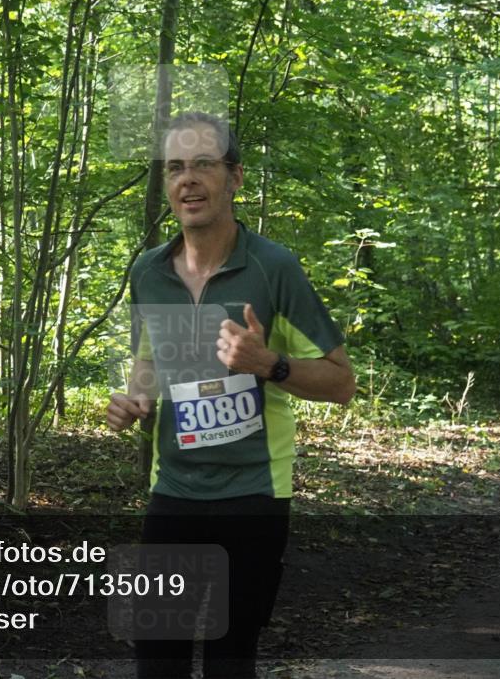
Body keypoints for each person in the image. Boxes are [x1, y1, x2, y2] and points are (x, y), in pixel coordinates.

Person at [106, 112, 356, 678]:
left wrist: (268, 363)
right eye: (175, 167)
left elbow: (342, 382)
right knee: (157, 656)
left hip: (253, 492)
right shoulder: (148, 272)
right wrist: (135, 401)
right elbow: (149, 360)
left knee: (230, 659)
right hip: (172, 489)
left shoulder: (273, 268)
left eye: (203, 164)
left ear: (235, 178)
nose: (188, 179)